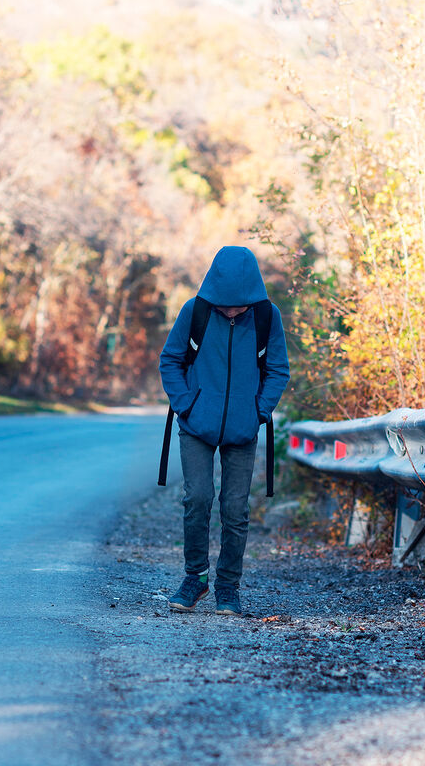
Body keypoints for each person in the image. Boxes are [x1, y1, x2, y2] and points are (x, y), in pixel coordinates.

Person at [158, 246, 289, 615]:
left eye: (238, 305)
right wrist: (186, 404)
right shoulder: (195, 311)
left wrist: (258, 412)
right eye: (224, 305)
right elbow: (170, 360)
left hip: (243, 429)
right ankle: (195, 579)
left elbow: (278, 369)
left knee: (235, 509)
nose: (231, 311)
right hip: (196, 424)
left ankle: (227, 586)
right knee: (197, 498)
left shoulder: (266, 316)